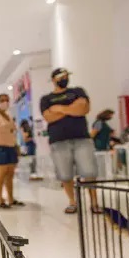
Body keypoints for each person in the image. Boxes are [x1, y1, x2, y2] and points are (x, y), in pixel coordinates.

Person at [40, 68, 101, 214]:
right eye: (61, 76)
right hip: (58, 140)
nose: (65, 78)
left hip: (81, 138)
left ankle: (94, 203)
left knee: (89, 172)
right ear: (54, 79)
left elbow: (83, 109)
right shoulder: (46, 99)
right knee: (65, 174)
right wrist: (72, 109)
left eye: (67, 76)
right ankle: (72, 202)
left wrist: (59, 109)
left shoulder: (78, 91)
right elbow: (49, 117)